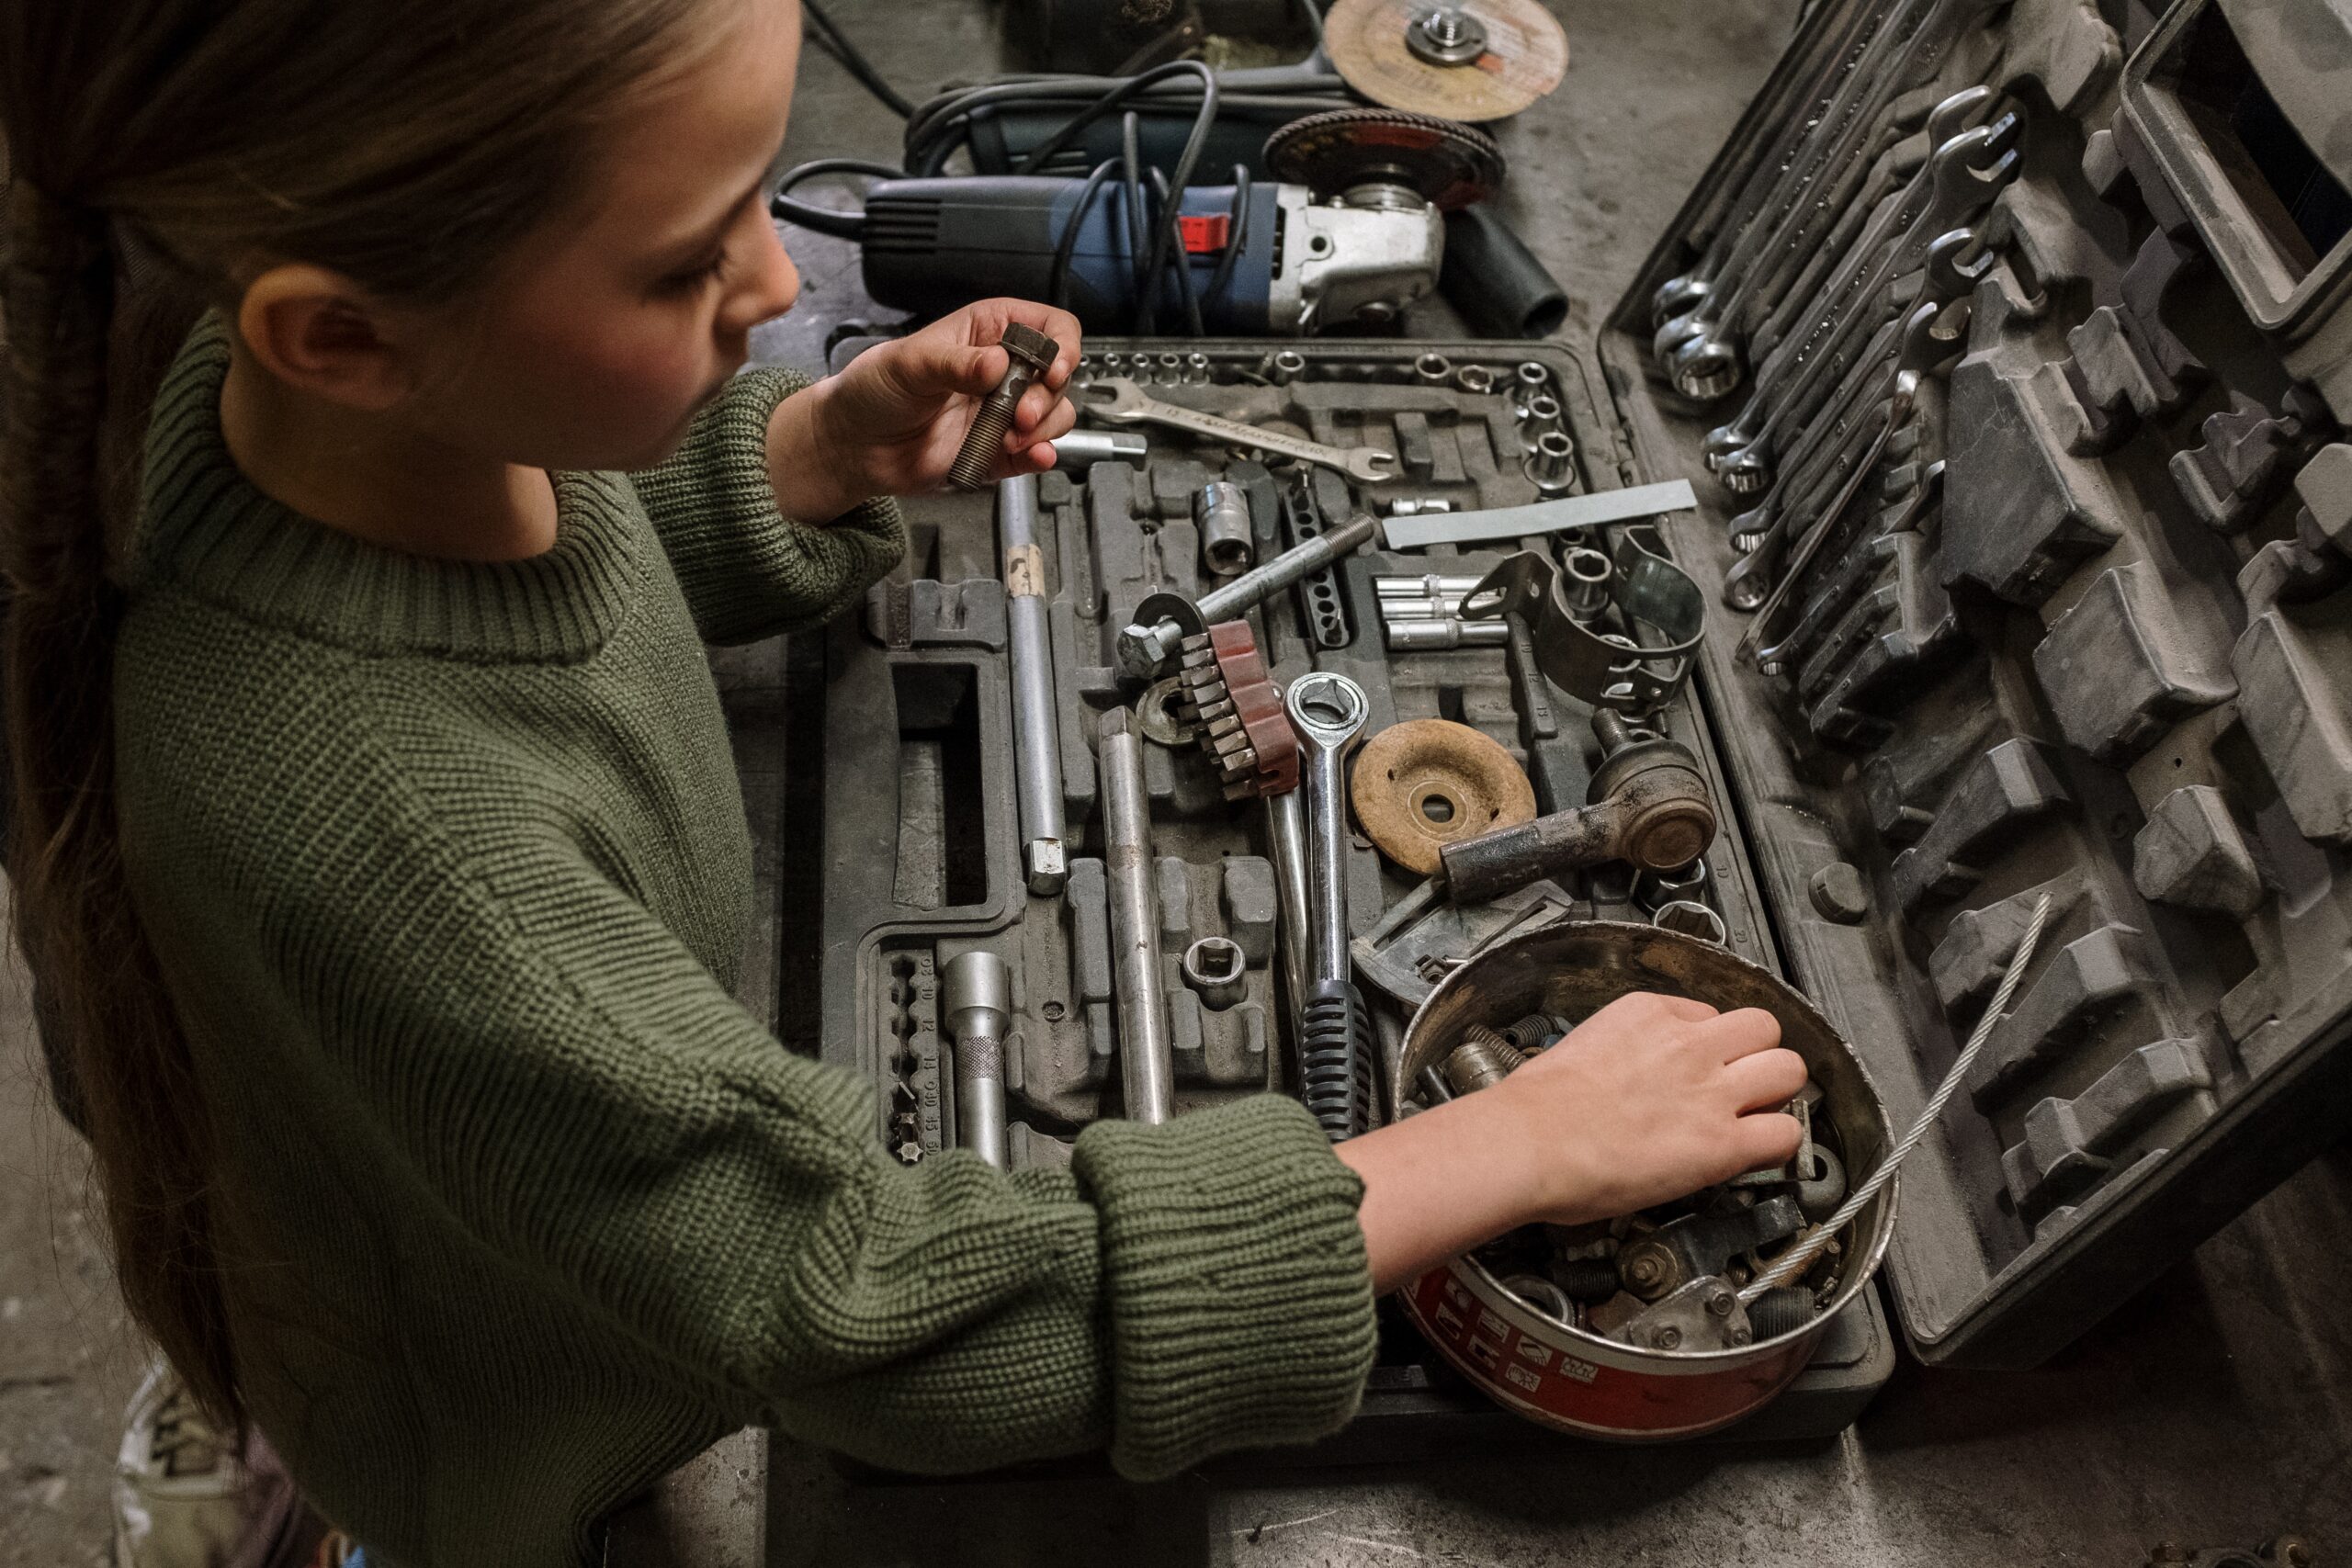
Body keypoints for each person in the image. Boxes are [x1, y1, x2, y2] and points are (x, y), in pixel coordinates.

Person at [0, 1, 1807, 1564]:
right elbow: (872, 1315)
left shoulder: (300, 414)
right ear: (343, 334)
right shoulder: (411, 855)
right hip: (516, 1396)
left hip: (521, 1134)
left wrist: (797, 452)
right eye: (683, 260)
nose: (783, 282)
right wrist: (1504, 1139)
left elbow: (563, 539)